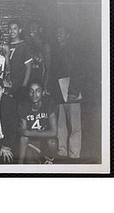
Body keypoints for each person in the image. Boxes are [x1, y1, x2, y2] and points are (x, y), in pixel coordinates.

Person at [51, 26, 83, 162]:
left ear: (67, 35)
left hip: (71, 91)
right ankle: (62, 150)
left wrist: (73, 92)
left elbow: (77, 72)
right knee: (61, 123)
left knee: (74, 124)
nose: (58, 34)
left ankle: (74, 153)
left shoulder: (72, 51)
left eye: (62, 32)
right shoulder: (56, 50)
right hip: (59, 91)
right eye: (57, 32)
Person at [18, 80, 58, 164]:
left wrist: (28, 133)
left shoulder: (49, 103)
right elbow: (24, 135)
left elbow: (54, 132)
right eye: (31, 91)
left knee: (52, 142)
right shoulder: (23, 106)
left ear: (43, 92)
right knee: (30, 163)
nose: (34, 94)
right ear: (28, 93)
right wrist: (20, 163)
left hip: (45, 140)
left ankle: (50, 159)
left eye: (38, 91)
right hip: (31, 141)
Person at [8, 19, 32, 101]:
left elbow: (28, 67)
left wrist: (24, 86)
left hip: (19, 86)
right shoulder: (6, 46)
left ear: (20, 30)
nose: (12, 31)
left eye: (15, 28)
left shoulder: (25, 46)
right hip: (8, 86)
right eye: (10, 29)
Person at [29, 20, 52, 95]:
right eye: (30, 28)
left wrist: (44, 86)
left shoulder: (45, 45)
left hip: (40, 82)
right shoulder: (30, 45)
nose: (31, 30)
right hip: (31, 82)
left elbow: (48, 68)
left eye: (34, 28)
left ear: (40, 30)